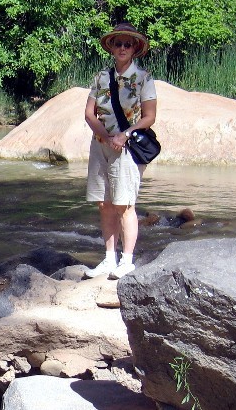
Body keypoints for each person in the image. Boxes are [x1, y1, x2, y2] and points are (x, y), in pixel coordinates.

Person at [83, 22, 157, 279]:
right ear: (111, 48)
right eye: (118, 44)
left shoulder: (144, 78)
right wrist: (105, 136)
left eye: (128, 44)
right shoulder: (101, 77)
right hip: (101, 145)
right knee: (104, 204)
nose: (123, 48)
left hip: (127, 148)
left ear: (135, 48)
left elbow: (149, 117)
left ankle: (127, 261)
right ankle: (109, 259)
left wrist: (123, 135)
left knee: (124, 204)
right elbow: (89, 113)